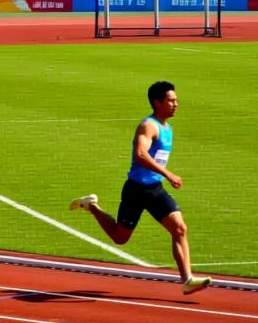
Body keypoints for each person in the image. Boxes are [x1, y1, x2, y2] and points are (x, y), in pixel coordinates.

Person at [68, 81, 213, 296]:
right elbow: (141, 154)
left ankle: (187, 280)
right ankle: (92, 207)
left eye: (176, 100)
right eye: (171, 100)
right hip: (136, 190)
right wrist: (168, 173)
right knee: (120, 237)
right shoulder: (149, 126)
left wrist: (162, 176)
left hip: (154, 189)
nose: (176, 104)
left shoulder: (168, 128)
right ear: (157, 102)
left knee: (180, 228)